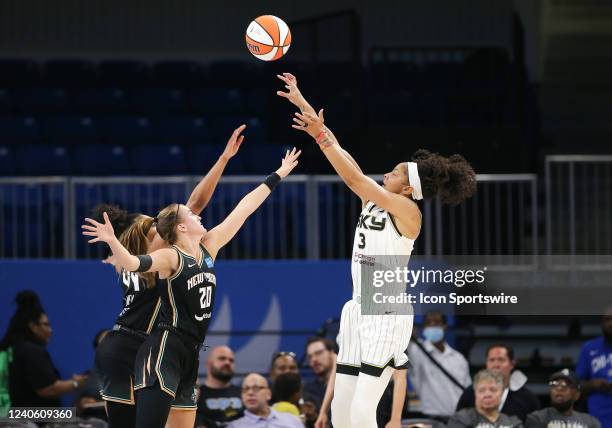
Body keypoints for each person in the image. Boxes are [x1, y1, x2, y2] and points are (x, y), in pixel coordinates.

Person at [279, 72, 476, 428]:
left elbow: (352, 177)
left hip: (386, 311)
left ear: (407, 189)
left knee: (362, 412)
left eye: (397, 172)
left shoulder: (408, 212)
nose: (388, 172)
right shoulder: (377, 201)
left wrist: (317, 135)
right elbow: (345, 157)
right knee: (341, 414)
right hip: (358, 308)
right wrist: (301, 101)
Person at [82, 148, 301, 428]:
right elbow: (188, 209)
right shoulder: (165, 255)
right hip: (137, 345)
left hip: (184, 350)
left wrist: (274, 173)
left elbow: (241, 209)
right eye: (155, 228)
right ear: (158, 235)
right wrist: (112, 242)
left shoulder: (202, 246)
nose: (197, 214)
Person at [92, 124, 246, 428]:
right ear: (150, 237)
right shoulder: (160, 257)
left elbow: (195, 206)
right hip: (130, 347)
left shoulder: (138, 257)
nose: (165, 228)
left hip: (136, 346)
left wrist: (224, 159)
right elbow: (195, 205)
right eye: (157, 227)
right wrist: (224, 159)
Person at [0, 291, 87, 408]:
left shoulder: (11, 349)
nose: (50, 330)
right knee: (94, 423)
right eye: (46, 325)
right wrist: (78, 383)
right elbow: (48, 389)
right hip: (31, 417)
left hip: (11, 415)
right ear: (33, 326)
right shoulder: (31, 351)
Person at [407, 311, 471, 420]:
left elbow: (468, 390)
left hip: (459, 420)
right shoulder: (416, 351)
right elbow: (404, 347)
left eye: (436, 322)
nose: (432, 325)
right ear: (424, 328)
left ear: (445, 326)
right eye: (428, 323)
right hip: (432, 419)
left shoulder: (458, 358)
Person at [455, 344, 540, 421]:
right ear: (486, 364)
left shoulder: (528, 399)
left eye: (501, 360)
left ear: (512, 364)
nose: (496, 365)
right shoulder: (470, 393)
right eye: (491, 360)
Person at [526, 369, 601, 428]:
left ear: (577, 395)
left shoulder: (591, 422)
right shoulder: (537, 418)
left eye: (565, 385)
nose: (559, 388)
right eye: (555, 384)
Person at [448, 369, 523, 428]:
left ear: (501, 393)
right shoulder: (461, 419)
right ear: (475, 394)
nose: (487, 394)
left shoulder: (514, 422)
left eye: (493, 390)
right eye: (482, 390)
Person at [576, 307, 612, 428]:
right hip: (598, 419)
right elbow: (576, 385)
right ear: (602, 323)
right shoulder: (589, 348)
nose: (611, 323)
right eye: (607, 320)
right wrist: (593, 384)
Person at [227, 373, 302, 428]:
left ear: (268, 394)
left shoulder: (292, 421)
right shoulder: (234, 426)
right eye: (246, 389)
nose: (250, 393)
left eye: (256, 388)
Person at [196, 346, 243, 428]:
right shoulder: (197, 395)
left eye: (231, 360)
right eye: (222, 358)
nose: (227, 363)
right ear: (208, 364)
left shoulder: (243, 393)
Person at [75, 329, 110, 421]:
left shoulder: (131, 374)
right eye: (105, 343)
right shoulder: (87, 377)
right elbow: (75, 410)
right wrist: (81, 404)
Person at [303, 337, 336, 409]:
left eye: (319, 353)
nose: (314, 359)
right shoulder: (307, 390)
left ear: (332, 353)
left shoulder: (349, 383)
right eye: (310, 357)